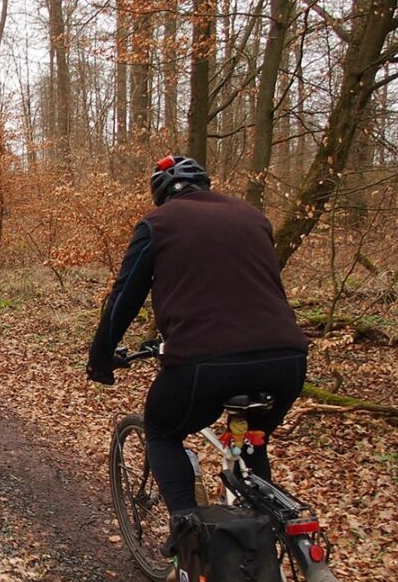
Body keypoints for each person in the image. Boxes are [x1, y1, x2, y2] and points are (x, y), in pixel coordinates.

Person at [86, 155, 308, 524]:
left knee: (161, 430)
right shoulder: (255, 217)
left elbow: (125, 297)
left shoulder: (158, 224)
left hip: (205, 362)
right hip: (286, 359)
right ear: (205, 185)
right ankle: (277, 532)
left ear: (160, 195)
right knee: (253, 440)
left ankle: (188, 535)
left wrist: (101, 358)